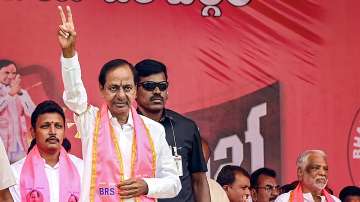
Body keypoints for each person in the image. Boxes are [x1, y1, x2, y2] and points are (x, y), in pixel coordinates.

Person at [57, 6, 181, 201]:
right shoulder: (91, 121)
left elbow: (174, 183)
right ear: (102, 89)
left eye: (127, 88)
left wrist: (147, 185)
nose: (121, 95)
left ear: (135, 90)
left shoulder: (154, 130)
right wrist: (69, 53)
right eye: (114, 88)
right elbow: (74, 94)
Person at [135, 59, 210, 202]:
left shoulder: (186, 127)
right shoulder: (125, 129)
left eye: (162, 86)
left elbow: (199, 180)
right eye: (149, 86)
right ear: (134, 91)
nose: (157, 91)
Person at [9, 100, 83, 202]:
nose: (52, 132)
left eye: (58, 126)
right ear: (33, 132)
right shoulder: (15, 173)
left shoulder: (82, 168)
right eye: (45, 126)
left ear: (64, 131)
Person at [0, 59, 36, 163]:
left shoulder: (21, 92)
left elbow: (33, 113)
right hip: (2, 144)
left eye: (13, 73)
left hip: (19, 144)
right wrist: (10, 94)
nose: (11, 76)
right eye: (6, 72)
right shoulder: (10, 92)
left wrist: (20, 93)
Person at [275, 150, 340, 202]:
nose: (323, 173)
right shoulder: (284, 200)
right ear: (300, 172)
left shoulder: (336, 200)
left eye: (325, 169)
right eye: (316, 168)